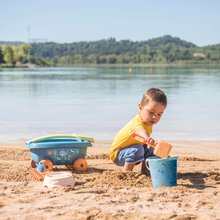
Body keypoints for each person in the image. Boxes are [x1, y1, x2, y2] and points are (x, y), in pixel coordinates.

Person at [109, 88, 167, 175]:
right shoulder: (136, 122)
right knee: (138, 149)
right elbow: (139, 130)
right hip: (118, 154)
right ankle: (126, 173)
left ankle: (145, 170)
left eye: (159, 114)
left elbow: (144, 141)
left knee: (151, 148)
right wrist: (146, 138)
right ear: (140, 107)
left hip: (131, 151)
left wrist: (152, 143)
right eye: (151, 112)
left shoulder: (148, 122)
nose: (155, 117)